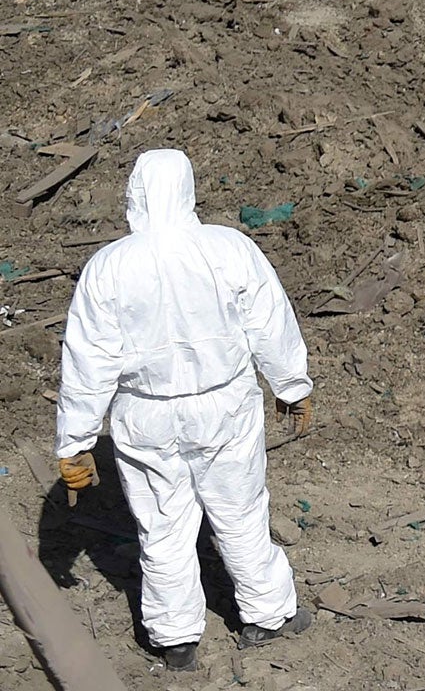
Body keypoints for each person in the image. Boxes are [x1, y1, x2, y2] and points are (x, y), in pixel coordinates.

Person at [56, 150, 314, 672]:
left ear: (135, 194)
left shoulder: (109, 265)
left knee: (162, 526)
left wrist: (76, 441)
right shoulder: (229, 248)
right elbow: (270, 322)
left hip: (144, 416)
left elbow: (88, 359)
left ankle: (175, 639)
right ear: (189, 190)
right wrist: (291, 386)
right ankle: (268, 614)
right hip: (224, 407)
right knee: (240, 512)